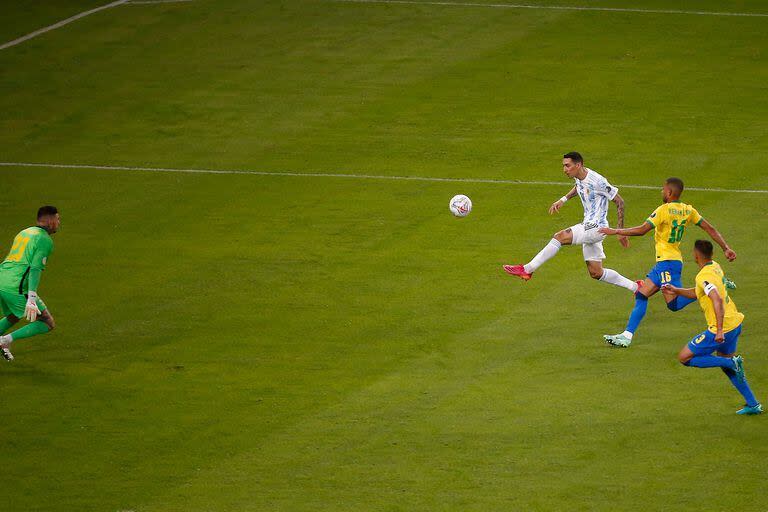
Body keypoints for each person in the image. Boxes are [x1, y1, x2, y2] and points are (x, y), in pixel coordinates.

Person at [600, 178, 736, 347]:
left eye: (663, 190)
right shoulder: (688, 210)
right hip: (667, 262)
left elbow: (642, 230)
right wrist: (726, 248)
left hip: (668, 264)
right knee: (642, 294)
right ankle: (626, 336)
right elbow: (710, 229)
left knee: (674, 304)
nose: (662, 192)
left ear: (670, 192)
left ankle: (714, 288)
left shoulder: (663, 210)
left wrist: (616, 231)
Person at [504, 152, 640, 293]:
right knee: (596, 272)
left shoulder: (598, 181)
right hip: (590, 225)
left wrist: (620, 232)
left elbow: (620, 201)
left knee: (560, 236)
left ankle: (527, 269)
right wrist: (563, 199)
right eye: (563, 166)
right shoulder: (579, 176)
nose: (565, 169)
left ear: (578, 164)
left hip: (596, 227)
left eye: (567, 166)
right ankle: (636, 287)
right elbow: (579, 186)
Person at [662, 240, 760, 415]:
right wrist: (677, 290)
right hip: (735, 322)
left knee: (684, 357)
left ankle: (731, 362)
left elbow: (715, 298)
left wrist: (720, 330)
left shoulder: (703, 276)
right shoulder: (715, 266)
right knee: (729, 367)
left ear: (696, 255)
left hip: (721, 329)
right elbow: (698, 292)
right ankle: (752, 404)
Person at [0, 206, 60, 361]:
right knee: (47, 322)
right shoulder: (44, 240)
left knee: (13, 315)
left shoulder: (25, 232)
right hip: (16, 285)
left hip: (3, 277)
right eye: (57, 219)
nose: (58, 223)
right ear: (49, 220)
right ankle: (4, 341)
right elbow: (34, 268)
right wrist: (31, 298)